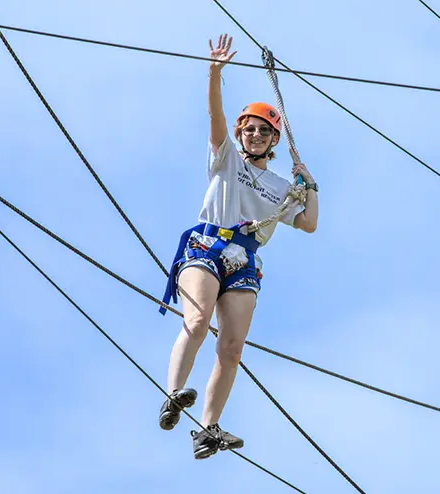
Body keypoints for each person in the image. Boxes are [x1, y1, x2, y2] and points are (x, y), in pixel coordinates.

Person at [158, 33, 319, 460]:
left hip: (244, 260)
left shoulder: (281, 187)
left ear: (273, 141)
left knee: (231, 348)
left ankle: (208, 428)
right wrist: (214, 74)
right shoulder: (226, 157)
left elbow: (308, 223)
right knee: (197, 319)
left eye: (263, 132)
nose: (254, 135)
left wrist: (310, 186)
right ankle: (174, 393)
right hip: (208, 245)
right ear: (240, 133)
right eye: (249, 129)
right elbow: (215, 116)